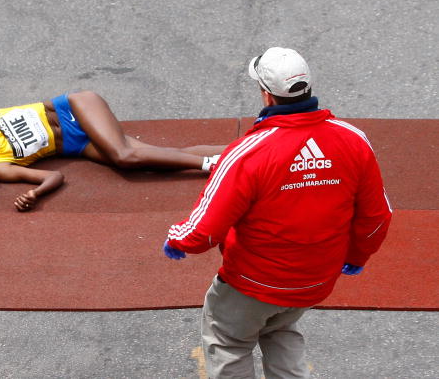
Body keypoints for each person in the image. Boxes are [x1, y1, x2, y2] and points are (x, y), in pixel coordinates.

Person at [163, 47, 392, 378]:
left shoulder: (248, 153)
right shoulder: (353, 140)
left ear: (266, 96)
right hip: (316, 280)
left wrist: (177, 240)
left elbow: (205, 229)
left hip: (251, 282)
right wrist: (357, 256)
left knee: (229, 343)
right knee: (279, 329)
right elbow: (377, 216)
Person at [0, 90, 225, 211]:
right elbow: (53, 178)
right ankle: (236, 150)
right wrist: (35, 195)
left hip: (74, 108)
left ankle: (213, 165)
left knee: (123, 156)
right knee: (158, 158)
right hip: (79, 144)